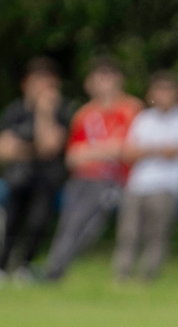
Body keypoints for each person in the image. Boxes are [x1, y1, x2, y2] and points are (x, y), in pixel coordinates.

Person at [41, 57, 142, 282]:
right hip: (81, 179)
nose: (103, 83)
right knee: (69, 224)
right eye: (98, 78)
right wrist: (104, 150)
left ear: (119, 80)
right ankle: (53, 269)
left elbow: (127, 150)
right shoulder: (84, 114)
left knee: (87, 227)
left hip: (111, 181)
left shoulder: (131, 109)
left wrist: (92, 151)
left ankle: (54, 270)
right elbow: (72, 157)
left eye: (108, 77)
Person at [0, 57, 75, 289]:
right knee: (10, 221)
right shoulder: (14, 111)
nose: (42, 88)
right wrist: (30, 149)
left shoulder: (60, 113)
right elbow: (1, 150)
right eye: (38, 82)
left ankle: (25, 267)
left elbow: (49, 147)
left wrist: (43, 113)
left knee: (38, 222)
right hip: (17, 179)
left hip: (46, 180)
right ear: (25, 84)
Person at [116, 71, 178, 283]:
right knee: (128, 232)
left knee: (156, 232)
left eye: (168, 90)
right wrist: (157, 150)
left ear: (177, 94)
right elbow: (128, 153)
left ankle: (148, 275)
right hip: (138, 184)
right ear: (151, 93)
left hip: (169, 185)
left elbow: (174, 151)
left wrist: (144, 151)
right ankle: (122, 274)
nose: (163, 95)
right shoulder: (143, 119)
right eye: (159, 90)